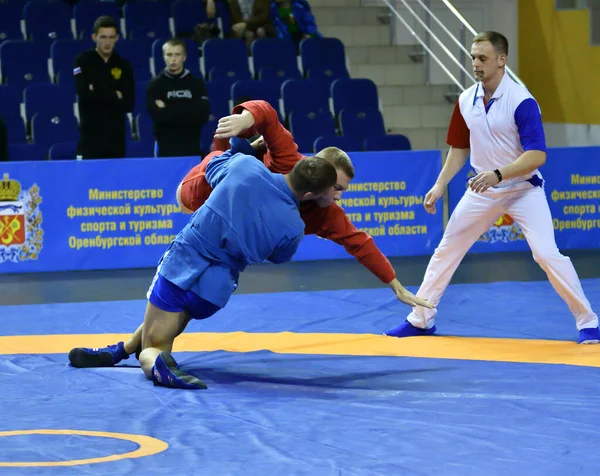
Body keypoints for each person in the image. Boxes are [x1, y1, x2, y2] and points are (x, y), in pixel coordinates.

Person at [69, 139, 339, 389]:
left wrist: (245, 151)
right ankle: (119, 351)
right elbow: (278, 257)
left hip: (183, 263)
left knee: (154, 345)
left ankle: (154, 363)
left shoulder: (245, 167)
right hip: (214, 288)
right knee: (171, 318)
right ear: (310, 195)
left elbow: (211, 165)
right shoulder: (294, 227)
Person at [384, 31, 599, 345]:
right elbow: (459, 149)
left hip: (523, 189)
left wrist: (498, 174)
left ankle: (589, 322)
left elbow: (537, 155)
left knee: (547, 255)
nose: (475, 64)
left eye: (482, 58)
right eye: (473, 57)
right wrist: (440, 183)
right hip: (483, 189)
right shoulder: (464, 101)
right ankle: (421, 319)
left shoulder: (522, 101)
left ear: (502, 60)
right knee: (447, 249)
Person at [178, 100, 433, 310]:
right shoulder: (290, 160)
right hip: (200, 194)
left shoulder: (326, 213)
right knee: (232, 158)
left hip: (232, 228)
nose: (338, 197)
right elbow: (268, 114)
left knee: (197, 299)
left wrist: (395, 285)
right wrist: (246, 120)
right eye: (337, 188)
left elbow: (359, 243)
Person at [74, 16, 135, 160]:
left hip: (116, 139)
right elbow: (84, 96)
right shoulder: (82, 61)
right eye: (103, 37)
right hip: (90, 137)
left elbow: (129, 104)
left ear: (117, 38)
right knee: (89, 181)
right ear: (94, 37)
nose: (107, 42)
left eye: (111, 37)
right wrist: (115, 95)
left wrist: (97, 91)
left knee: (115, 182)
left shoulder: (124, 65)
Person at [146, 39, 210, 157]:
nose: (173, 59)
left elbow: (203, 116)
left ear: (184, 57)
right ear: (164, 57)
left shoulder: (196, 83)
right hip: (166, 149)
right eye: (169, 55)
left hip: (192, 147)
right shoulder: (155, 85)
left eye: (177, 54)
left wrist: (168, 109)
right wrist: (190, 108)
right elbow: (158, 117)